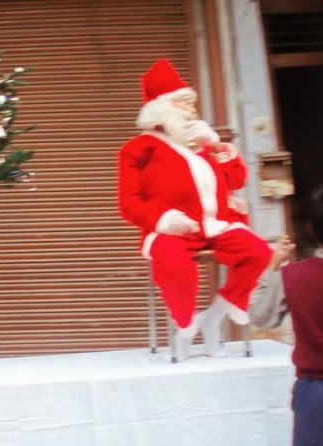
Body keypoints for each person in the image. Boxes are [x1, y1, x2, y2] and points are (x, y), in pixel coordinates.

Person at [117, 58, 272, 360]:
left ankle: (215, 317)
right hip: (173, 229)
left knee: (259, 253)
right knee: (173, 265)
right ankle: (185, 326)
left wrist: (217, 147)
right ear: (161, 110)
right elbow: (128, 203)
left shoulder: (203, 146)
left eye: (192, 105)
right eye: (182, 104)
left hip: (217, 225)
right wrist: (162, 220)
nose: (190, 112)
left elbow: (237, 179)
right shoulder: (138, 148)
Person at [250, 184, 323, 446]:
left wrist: (272, 266)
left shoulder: (293, 276)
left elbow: (261, 317)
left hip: (317, 393)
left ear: (310, 228)